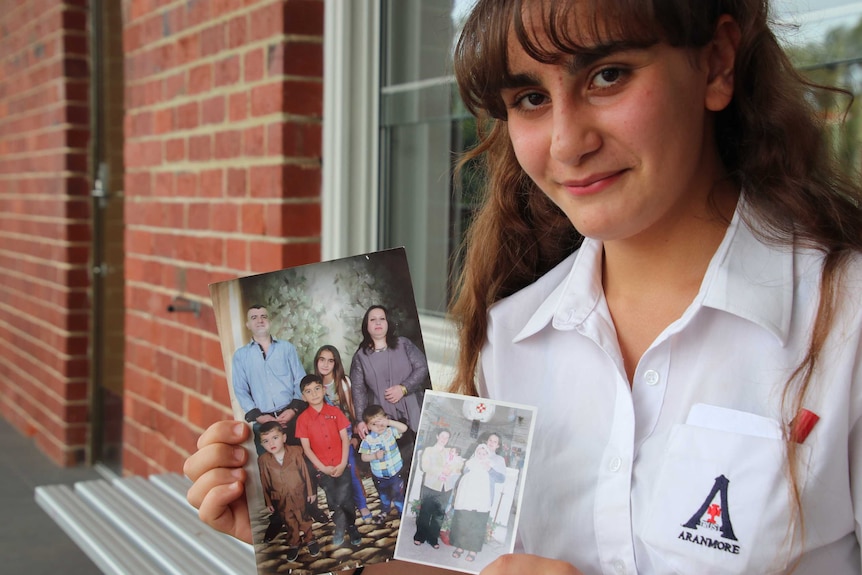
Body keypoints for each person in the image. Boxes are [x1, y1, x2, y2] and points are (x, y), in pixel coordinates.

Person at [184, 1, 862, 573]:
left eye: (608, 75)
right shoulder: (512, 335)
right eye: (531, 98)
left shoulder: (847, 323)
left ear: (715, 62)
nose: (567, 142)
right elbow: (452, 559)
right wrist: (284, 528)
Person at [294, 374, 362, 547]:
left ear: (323, 390)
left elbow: (345, 439)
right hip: (323, 470)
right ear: (303, 396)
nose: (314, 394)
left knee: (346, 497)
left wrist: (342, 462)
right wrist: (323, 468)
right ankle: (340, 526)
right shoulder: (303, 420)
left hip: (342, 464)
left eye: (317, 388)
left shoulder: (334, 412)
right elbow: (306, 448)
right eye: (308, 391)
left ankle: (352, 526)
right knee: (333, 500)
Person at [232, 305, 306, 454]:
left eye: (263, 316)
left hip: (293, 419)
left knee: (303, 465)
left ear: (270, 322)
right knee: (271, 471)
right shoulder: (240, 356)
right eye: (254, 317)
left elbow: (300, 379)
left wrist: (293, 410)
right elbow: (240, 390)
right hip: (263, 425)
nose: (260, 320)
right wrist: (259, 417)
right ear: (248, 325)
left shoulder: (287, 348)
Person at [350, 305, 429, 439]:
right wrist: (360, 420)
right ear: (366, 326)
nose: (378, 322)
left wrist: (404, 388)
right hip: (381, 416)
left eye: (382, 319)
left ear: (388, 323)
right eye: (373, 320)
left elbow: (422, 367)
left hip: (414, 407)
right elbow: (358, 390)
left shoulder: (403, 344)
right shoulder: (360, 357)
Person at [314, 344, 373, 522]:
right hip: (325, 438)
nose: (325, 364)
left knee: (351, 471)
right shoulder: (314, 386)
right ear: (317, 361)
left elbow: (352, 411)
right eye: (322, 360)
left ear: (336, 363)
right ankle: (342, 510)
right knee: (333, 476)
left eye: (330, 360)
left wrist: (354, 436)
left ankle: (362, 505)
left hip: (345, 433)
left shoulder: (344, 383)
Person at [256, 421, 320, 561]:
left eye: (275, 438)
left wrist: (310, 492)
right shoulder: (263, 460)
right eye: (266, 441)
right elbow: (264, 481)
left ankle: (310, 538)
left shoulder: (296, 451)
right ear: (262, 444)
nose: (271, 443)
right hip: (281, 497)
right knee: (289, 520)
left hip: (299, 494)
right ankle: (294, 542)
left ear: (284, 438)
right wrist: (268, 501)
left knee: (303, 517)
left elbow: (305, 472)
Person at [449, 433, 507, 563]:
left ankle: (473, 550)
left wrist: (489, 469)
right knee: (465, 520)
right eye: (490, 440)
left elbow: (502, 478)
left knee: (478, 523)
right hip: (468, 495)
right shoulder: (477, 452)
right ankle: (460, 547)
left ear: (498, 445)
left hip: (484, 496)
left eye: (495, 441)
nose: (491, 443)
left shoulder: (498, 460)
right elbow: (466, 471)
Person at [358, 405, 408, 524]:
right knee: (384, 496)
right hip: (379, 476)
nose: (379, 426)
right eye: (374, 424)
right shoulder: (368, 440)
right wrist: (374, 456)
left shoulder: (390, 432)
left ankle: (401, 512)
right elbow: (363, 457)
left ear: (386, 419)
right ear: (368, 426)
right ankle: (385, 510)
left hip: (395, 472)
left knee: (398, 495)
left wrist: (389, 422)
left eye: (381, 422)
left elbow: (404, 428)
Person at [413, 428, 461, 549]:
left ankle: (433, 538)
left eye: (447, 437)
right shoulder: (429, 450)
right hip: (431, 486)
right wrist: (441, 471)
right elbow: (424, 467)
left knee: (439, 514)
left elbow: (458, 465)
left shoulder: (450, 451)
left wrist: (452, 470)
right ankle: (420, 536)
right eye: (442, 436)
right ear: (437, 436)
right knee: (425, 512)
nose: (444, 439)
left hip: (446, 487)